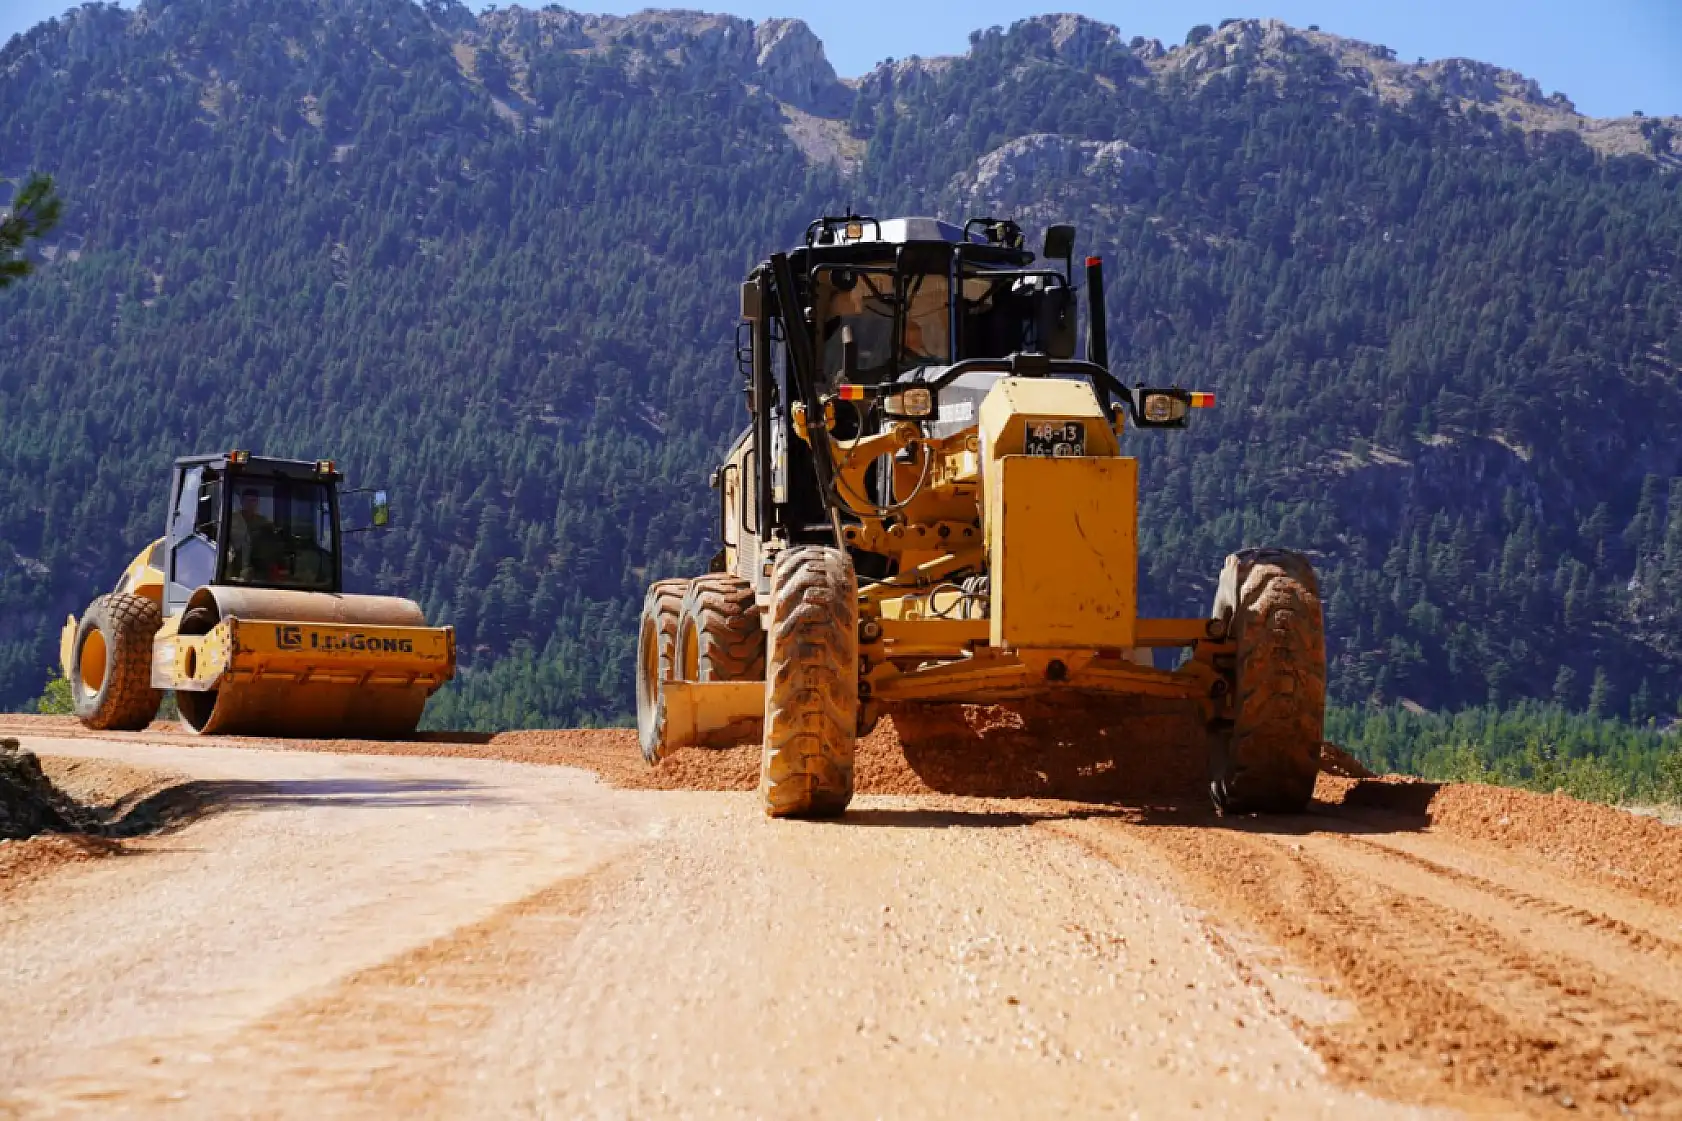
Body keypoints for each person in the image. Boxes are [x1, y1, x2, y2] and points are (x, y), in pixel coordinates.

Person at [227, 488, 274, 580]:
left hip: (257, 564)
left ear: (257, 503)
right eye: (247, 500)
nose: (250, 504)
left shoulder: (263, 522)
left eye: (253, 500)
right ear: (241, 502)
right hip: (235, 562)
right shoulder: (231, 519)